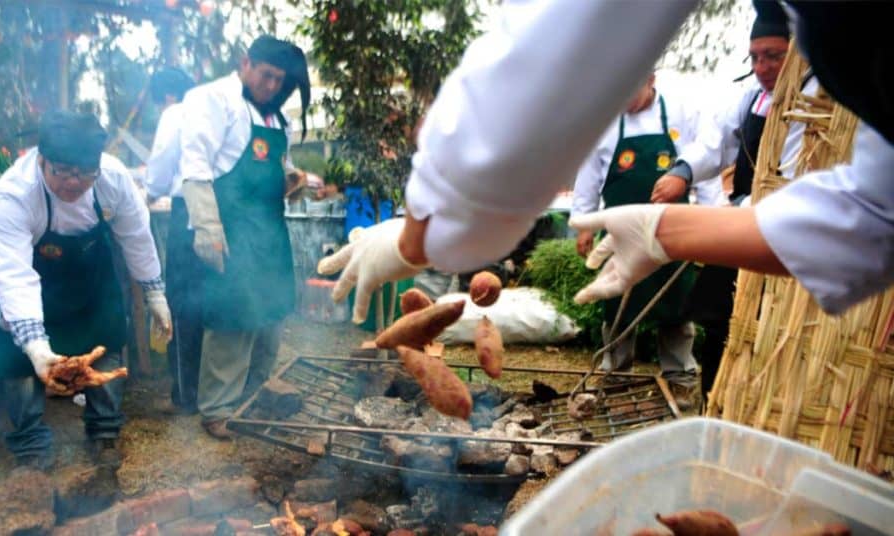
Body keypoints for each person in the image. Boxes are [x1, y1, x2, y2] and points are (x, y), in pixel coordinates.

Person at [318, 0, 894, 339]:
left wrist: (417, 235)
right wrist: (662, 231)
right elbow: (872, 217)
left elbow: (514, 118)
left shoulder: (687, 105)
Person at [0, 110, 172, 470]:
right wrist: (36, 347)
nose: (75, 182)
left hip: (86, 267)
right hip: (23, 270)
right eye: (63, 171)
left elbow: (136, 235)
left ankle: (104, 433)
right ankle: (32, 448)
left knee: (107, 334)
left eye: (85, 173)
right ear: (41, 161)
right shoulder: (15, 194)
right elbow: (15, 277)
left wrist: (155, 292)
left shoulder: (113, 179)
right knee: (16, 358)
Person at [638, 2, 791, 399]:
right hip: (744, 229)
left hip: (786, 237)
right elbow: (714, 142)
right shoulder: (750, 96)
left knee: (771, 330)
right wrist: (680, 173)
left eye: (773, 56)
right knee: (719, 320)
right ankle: (715, 401)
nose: (762, 67)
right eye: (755, 57)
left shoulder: (817, 104)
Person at [177, 35, 310, 439]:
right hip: (230, 228)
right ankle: (217, 409)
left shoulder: (274, 117)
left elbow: (277, 167)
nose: (271, 87)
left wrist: (294, 179)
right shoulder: (212, 100)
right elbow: (196, 167)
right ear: (245, 62)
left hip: (268, 230)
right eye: (265, 76)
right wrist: (207, 228)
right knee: (232, 317)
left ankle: (255, 397)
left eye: (279, 81)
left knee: (270, 313)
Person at [570, 74, 711, 406]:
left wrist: (709, 216)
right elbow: (588, 175)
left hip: (672, 231)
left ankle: (680, 378)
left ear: (650, 79)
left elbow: (703, 167)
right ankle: (616, 375)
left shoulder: (680, 114)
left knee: (676, 305)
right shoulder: (603, 125)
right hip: (620, 232)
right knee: (617, 301)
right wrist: (584, 225)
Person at [145, 67, 200, 415]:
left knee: (184, 303)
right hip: (232, 216)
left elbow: (160, 173)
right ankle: (221, 391)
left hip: (191, 212)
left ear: (166, 96)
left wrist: (150, 191)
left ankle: (186, 396)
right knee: (218, 301)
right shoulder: (218, 109)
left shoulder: (175, 112)